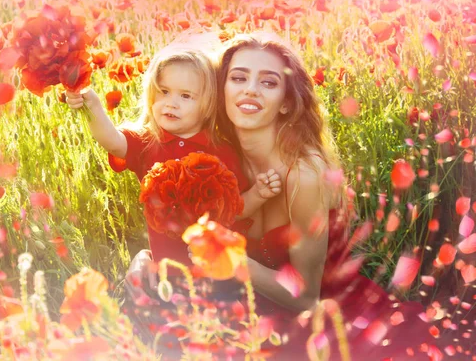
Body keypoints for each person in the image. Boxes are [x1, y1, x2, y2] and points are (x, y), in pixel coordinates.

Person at [216, 31, 443, 360]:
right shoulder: (220, 161)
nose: (250, 89)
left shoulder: (304, 175)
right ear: (221, 89)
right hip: (251, 309)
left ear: (287, 103)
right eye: (238, 78)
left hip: (328, 323)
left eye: (268, 83)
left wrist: (233, 259)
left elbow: (307, 298)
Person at [65, 34, 281, 355]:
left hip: (216, 273)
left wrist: (261, 194)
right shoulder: (148, 143)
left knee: (217, 335)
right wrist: (93, 107)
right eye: (163, 92)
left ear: (208, 104)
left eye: (185, 96)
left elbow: (234, 210)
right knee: (168, 337)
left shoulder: (222, 152)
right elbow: (112, 140)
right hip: (168, 272)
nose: (171, 103)